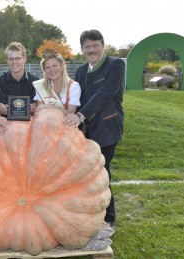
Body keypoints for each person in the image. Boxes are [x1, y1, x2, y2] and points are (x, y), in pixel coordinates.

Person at [64, 29, 125, 227]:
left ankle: (109, 218)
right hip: (85, 132)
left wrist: (80, 116)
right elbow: (77, 98)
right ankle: (89, 214)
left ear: (103, 45)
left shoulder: (115, 65)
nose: (91, 50)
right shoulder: (81, 71)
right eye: (87, 46)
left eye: (95, 45)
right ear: (82, 49)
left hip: (107, 128)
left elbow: (105, 94)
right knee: (86, 175)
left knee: (102, 173)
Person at [0, 42, 38, 116]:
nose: (14, 62)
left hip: (30, 124)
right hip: (7, 124)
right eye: (11, 59)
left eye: (17, 58)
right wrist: (4, 109)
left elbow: (37, 103)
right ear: (7, 60)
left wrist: (35, 107)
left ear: (25, 59)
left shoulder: (35, 81)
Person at [33, 49, 81, 115]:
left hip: (65, 123)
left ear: (62, 66)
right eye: (47, 67)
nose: (51, 70)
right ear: (45, 70)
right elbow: (40, 112)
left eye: (55, 65)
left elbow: (71, 113)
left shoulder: (73, 86)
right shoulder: (41, 86)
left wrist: (49, 107)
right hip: (45, 122)